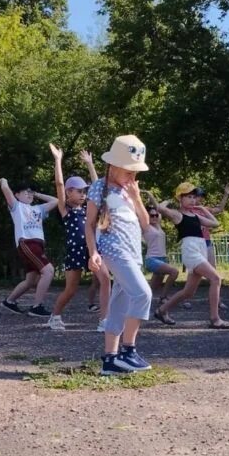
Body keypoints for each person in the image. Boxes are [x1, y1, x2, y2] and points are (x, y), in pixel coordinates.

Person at [85, 135, 154, 375]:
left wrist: (136, 197)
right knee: (143, 293)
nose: (133, 177)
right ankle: (128, 350)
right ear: (113, 166)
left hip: (133, 252)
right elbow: (90, 224)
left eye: (136, 173)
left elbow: (146, 224)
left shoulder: (129, 190)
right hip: (115, 250)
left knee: (119, 306)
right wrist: (93, 252)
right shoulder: (98, 188)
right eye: (128, 172)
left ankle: (110, 360)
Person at [152, 183, 229, 329]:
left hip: (200, 249)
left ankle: (162, 311)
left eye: (194, 197)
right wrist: (168, 201)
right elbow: (159, 208)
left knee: (188, 292)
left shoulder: (196, 215)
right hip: (191, 251)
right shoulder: (178, 215)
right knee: (215, 278)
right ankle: (215, 319)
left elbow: (215, 223)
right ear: (180, 199)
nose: (193, 200)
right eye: (189, 197)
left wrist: (202, 209)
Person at [47, 145, 109, 332]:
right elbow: (59, 184)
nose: (83, 194)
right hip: (75, 250)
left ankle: (104, 320)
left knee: (105, 279)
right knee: (71, 289)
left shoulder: (88, 208)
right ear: (68, 192)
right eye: (79, 191)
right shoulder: (65, 210)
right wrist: (58, 160)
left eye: (84, 191)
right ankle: (55, 316)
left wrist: (90, 164)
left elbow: (98, 186)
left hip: (92, 249)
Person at [0, 178, 59, 317]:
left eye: (30, 193)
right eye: (26, 192)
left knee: (31, 280)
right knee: (48, 271)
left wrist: (36, 194)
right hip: (28, 243)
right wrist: (4, 181)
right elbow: (6, 191)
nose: (29, 195)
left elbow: (56, 201)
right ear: (17, 195)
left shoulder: (37, 209)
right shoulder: (16, 207)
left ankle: (10, 301)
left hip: (38, 245)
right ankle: (37, 307)